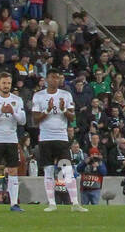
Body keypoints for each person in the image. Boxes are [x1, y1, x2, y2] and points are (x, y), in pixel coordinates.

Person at [31, 70, 85, 212]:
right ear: (47, 79)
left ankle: (75, 203)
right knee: (48, 171)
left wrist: (63, 109)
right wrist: (48, 110)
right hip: (45, 138)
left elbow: (72, 117)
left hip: (61, 137)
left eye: (58, 78)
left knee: (67, 170)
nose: (55, 80)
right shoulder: (39, 96)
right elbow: (35, 119)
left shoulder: (66, 95)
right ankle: (52, 203)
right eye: (53, 77)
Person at [0, 71, 26, 212]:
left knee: (13, 171)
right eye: (4, 83)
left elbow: (23, 120)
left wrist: (13, 112)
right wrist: (0, 111)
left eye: (8, 83)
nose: (6, 85)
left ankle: (14, 203)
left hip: (11, 139)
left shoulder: (17, 100)